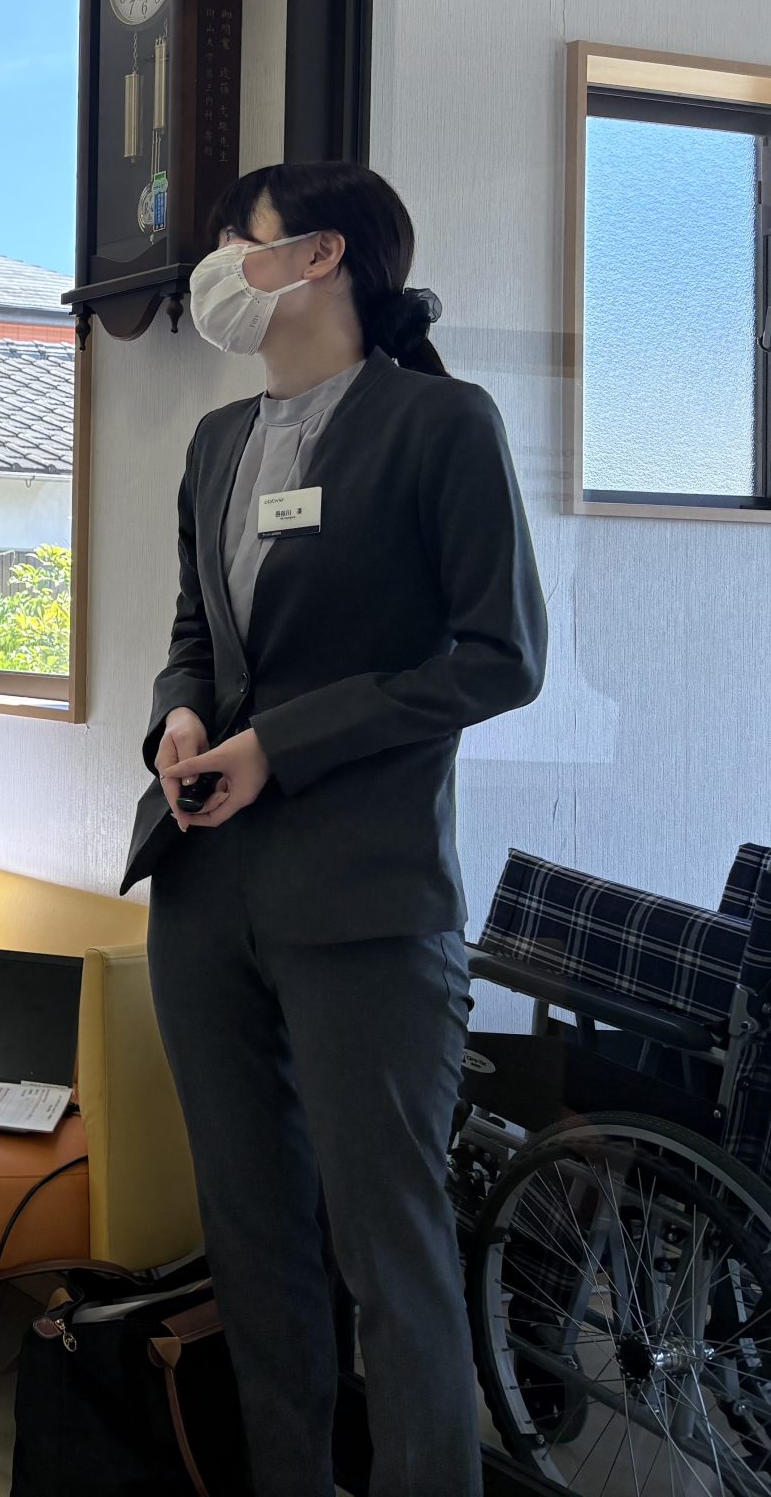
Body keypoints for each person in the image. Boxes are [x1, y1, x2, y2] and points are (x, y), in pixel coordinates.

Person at [125, 162, 546, 1497]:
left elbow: (501, 658)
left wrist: (281, 746)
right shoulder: (217, 443)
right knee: (252, 1242)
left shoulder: (440, 425)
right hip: (204, 892)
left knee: (389, 1250)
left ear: (320, 257)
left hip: (364, 899)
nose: (213, 269)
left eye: (233, 241)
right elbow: (196, 636)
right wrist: (178, 720)